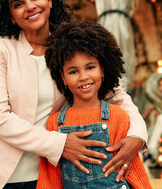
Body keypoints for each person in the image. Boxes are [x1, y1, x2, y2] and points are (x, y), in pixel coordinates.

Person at [0, 0, 148, 189]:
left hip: (48, 174)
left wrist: (138, 135)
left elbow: (116, 95)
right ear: (11, 15)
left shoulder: (69, 47)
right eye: (18, 3)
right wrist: (60, 143)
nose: (29, 6)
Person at [37, 20, 151, 189]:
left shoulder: (117, 116)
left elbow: (133, 170)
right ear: (63, 77)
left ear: (102, 70)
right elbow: (50, 178)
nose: (83, 76)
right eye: (73, 71)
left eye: (90, 67)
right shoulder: (55, 123)